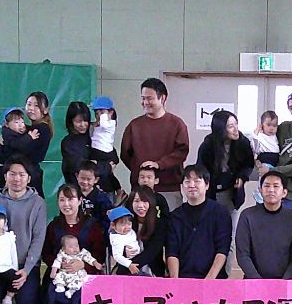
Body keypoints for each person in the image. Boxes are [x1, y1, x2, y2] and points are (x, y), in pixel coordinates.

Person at [0, 157, 47, 304]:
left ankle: (15, 293)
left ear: (29, 179)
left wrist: (26, 270)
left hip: (23, 266)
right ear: (5, 176)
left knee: (28, 303)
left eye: (22, 175)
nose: (16, 179)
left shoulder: (38, 203)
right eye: (12, 174)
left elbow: (38, 239)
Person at [120, 78, 189, 211]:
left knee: (170, 222)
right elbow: (125, 154)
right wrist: (142, 172)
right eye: (143, 98)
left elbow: (182, 152)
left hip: (168, 189)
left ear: (162, 98)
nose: (145, 102)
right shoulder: (134, 125)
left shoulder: (177, 124)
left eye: (149, 98)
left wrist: (159, 164)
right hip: (140, 190)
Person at [41, 184, 106, 304]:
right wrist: (60, 265)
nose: (66, 204)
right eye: (62, 200)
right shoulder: (54, 225)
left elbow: (100, 255)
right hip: (60, 274)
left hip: (85, 274)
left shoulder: (92, 225)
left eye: (71, 199)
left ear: (80, 200)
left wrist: (82, 265)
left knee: (82, 301)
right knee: (54, 302)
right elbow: (46, 253)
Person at [166, 164, 232, 279]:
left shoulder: (220, 213)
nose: (192, 185)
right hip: (183, 279)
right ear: (182, 187)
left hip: (213, 280)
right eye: (187, 181)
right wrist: (175, 281)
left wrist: (208, 281)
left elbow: (222, 249)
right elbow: (172, 251)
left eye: (197, 181)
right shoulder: (175, 216)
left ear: (207, 185)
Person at [235, 170, 292, 280]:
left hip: (286, 283)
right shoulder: (247, 215)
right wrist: (258, 281)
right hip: (254, 282)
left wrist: (284, 282)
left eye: (276, 186)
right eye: (266, 186)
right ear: (260, 190)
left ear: (284, 193)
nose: (271, 190)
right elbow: (242, 254)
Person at [196, 109, 254, 212]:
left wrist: (242, 177)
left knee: (230, 218)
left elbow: (248, 165)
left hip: (232, 191)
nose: (236, 129)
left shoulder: (243, 142)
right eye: (231, 126)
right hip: (211, 191)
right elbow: (201, 169)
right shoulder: (208, 145)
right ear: (221, 129)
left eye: (236, 124)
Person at [122, 185, 168, 277]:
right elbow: (114, 245)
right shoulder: (124, 222)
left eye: (145, 201)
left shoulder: (159, 224)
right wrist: (123, 252)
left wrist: (128, 266)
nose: (140, 205)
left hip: (152, 272)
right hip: (127, 272)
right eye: (136, 201)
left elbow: (151, 253)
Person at [90, 96, 124, 202]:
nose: (99, 115)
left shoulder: (110, 123)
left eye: (102, 111)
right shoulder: (99, 125)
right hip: (97, 151)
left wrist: (103, 116)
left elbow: (104, 124)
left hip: (104, 152)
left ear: (111, 112)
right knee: (108, 174)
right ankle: (119, 190)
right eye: (97, 113)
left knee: (106, 173)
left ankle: (118, 190)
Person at [50, 234, 102, 298]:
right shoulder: (61, 255)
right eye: (71, 247)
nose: (75, 248)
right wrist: (53, 271)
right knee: (59, 276)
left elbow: (89, 258)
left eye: (77, 246)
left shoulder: (81, 254)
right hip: (65, 272)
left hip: (77, 274)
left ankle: (71, 291)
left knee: (80, 280)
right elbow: (56, 262)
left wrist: (96, 263)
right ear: (63, 249)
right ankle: (60, 286)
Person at [108, 206, 152, 275]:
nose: (127, 227)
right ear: (113, 225)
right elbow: (117, 256)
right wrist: (129, 265)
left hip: (140, 260)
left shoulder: (129, 231)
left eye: (129, 224)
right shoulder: (117, 239)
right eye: (122, 224)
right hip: (130, 265)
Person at [60, 100, 93, 185]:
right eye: (78, 121)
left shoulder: (93, 137)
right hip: (77, 188)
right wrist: (105, 167)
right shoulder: (67, 143)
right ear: (71, 122)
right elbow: (80, 167)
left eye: (85, 121)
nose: (83, 125)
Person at [75, 160, 112, 232]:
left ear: (96, 180)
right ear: (77, 176)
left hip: (96, 233)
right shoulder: (73, 195)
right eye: (82, 178)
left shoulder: (102, 198)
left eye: (89, 179)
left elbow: (107, 219)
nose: (85, 182)